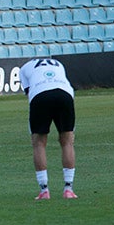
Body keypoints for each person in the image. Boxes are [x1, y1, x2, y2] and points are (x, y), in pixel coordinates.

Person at [18, 57, 77, 200]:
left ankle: (44, 190)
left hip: (40, 95)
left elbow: (29, 92)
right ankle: (68, 189)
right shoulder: (59, 64)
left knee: (39, 143)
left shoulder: (24, 68)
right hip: (65, 94)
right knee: (67, 141)